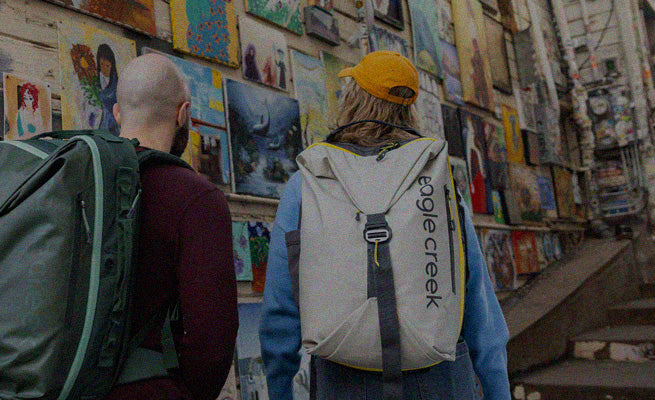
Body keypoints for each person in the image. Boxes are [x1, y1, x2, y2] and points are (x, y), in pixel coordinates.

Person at [259, 51, 510, 400]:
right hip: (440, 381)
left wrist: (280, 390)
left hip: (341, 382)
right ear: (408, 110)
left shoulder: (307, 184)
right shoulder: (437, 182)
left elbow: (279, 313)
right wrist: (498, 391)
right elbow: (480, 311)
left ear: (353, 99)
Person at [101, 53, 238, 400]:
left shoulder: (82, 181)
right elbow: (213, 340)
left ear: (117, 113)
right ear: (183, 114)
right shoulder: (197, 198)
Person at [97, 44, 120, 135]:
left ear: (112, 65)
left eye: (107, 66)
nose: (104, 69)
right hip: (103, 121)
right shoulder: (97, 80)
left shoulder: (116, 84)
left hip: (114, 124)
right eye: (101, 64)